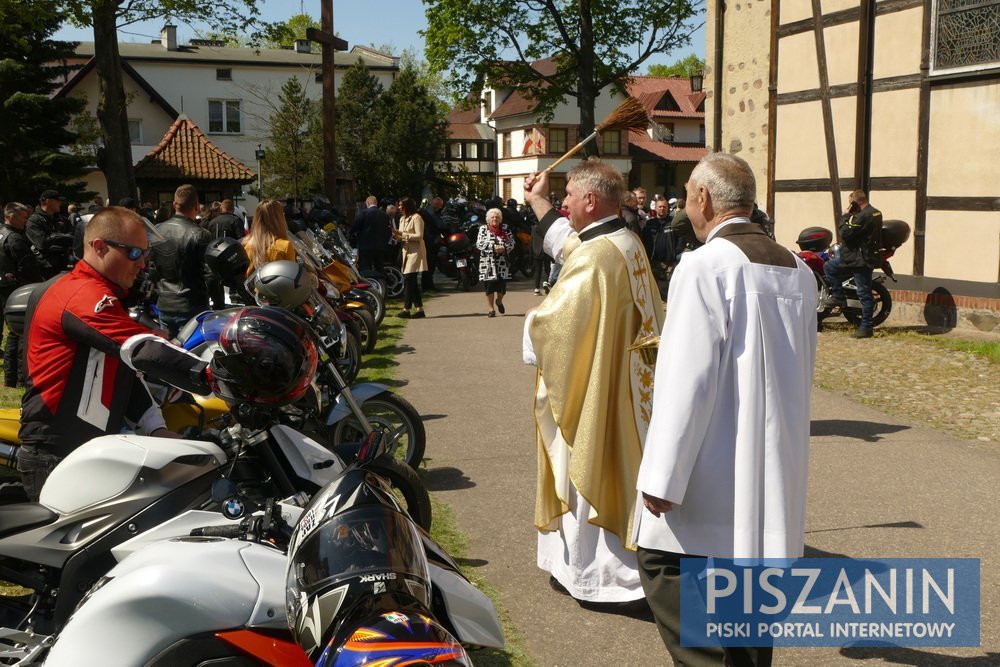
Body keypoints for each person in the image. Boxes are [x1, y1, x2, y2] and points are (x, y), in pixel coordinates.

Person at [634, 153, 817, 667]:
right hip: (772, 467)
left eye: (688, 194)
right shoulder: (797, 269)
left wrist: (661, 478)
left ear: (705, 199)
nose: (685, 205)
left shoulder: (704, 266)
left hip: (709, 470)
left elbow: (686, 382)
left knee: (666, 571)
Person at [522, 158, 664, 606]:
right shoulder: (622, 240)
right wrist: (537, 200)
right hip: (629, 386)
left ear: (589, 199)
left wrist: (530, 324)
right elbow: (571, 246)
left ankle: (600, 580)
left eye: (567, 196)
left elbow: (557, 325)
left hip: (600, 390)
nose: (563, 203)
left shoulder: (598, 256)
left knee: (586, 462)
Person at [18, 207, 209, 500]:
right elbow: (142, 349)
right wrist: (217, 375)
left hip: (85, 450)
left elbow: (119, 368)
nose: (143, 265)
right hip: (58, 455)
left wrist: (154, 428)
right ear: (99, 248)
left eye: (146, 255)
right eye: (135, 254)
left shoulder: (99, 292)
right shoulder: (80, 293)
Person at [150, 184, 213, 338]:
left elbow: (152, 268)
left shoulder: (157, 229)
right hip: (191, 304)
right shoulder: (201, 234)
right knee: (192, 356)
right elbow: (210, 273)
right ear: (196, 207)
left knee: (169, 354)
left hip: (164, 303)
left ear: (174, 205)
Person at [823, 189, 883, 338]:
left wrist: (845, 215)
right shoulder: (876, 212)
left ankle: (866, 326)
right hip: (861, 256)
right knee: (830, 266)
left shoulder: (863, 216)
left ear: (855, 203)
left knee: (863, 293)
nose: (849, 206)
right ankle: (840, 296)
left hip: (859, 259)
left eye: (850, 204)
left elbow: (846, 233)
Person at [0, 203, 43, 387]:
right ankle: (19, 378)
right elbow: (28, 266)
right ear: (11, 216)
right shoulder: (15, 238)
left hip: (5, 287)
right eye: (23, 217)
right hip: (17, 290)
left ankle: (11, 378)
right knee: (21, 333)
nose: (26, 221)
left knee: (12, 333)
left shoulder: (2, 233)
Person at [242, 199, 297, 277]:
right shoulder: (285, 246)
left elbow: (247, 275)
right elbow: (292, 276)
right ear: (279, 218)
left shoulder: (248, 244)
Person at [393, 197, 427, 319]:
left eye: (401, 205)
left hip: (415, 252)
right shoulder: (402, 219)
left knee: (408, 279)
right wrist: (396, 235)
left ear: (407, 206)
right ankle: (420, 310)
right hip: (406, 252)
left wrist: (402, 235)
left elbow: (419, 236)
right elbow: (401, 236)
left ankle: (406, 310)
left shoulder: (417, 218)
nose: (399, 207)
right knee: (411, 281)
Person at [476, 208, 514, 317]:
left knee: (502, 289)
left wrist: (504, 247)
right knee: (489, 287)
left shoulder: (505, 228)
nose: (494, 219)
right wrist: (493, 247)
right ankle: (491, 309)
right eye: (492, 217)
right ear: (488, 219)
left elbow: (512, 242)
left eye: (497, 217)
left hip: (502, 263)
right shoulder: (483, 229)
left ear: (500, 219)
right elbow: (479, 244)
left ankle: (499, 301)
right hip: (488, 263)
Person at [27, 190, 72, 279]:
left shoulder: (61, 218)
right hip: (47, 267)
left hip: (65, 263)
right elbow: (42, 243)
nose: (60, 203)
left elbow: (72, 236)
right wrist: (61, 237)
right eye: (57, 200)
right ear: (48, 201)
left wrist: (55, 239)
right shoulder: (34, 220)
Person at [351, 196, 392, 271]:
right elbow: (389, 231)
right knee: (379, 268)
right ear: (376, 203)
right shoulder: (384, 215)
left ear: (367, 203)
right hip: (380, 247)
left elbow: (354, 227)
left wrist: (351, 233)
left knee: (366, 268)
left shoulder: (363, 213)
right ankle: (381, 281)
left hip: (366, 247)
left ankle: (370, 282)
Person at [419, 196, 445, 291]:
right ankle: (427, 286)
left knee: (428, 265)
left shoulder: (426, 211)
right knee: (430, 264)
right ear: (438, 205)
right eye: (440, 206)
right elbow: (440, 225)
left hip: (428, 240)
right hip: (430, 241)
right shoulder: (432, 213)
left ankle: (427, 285)